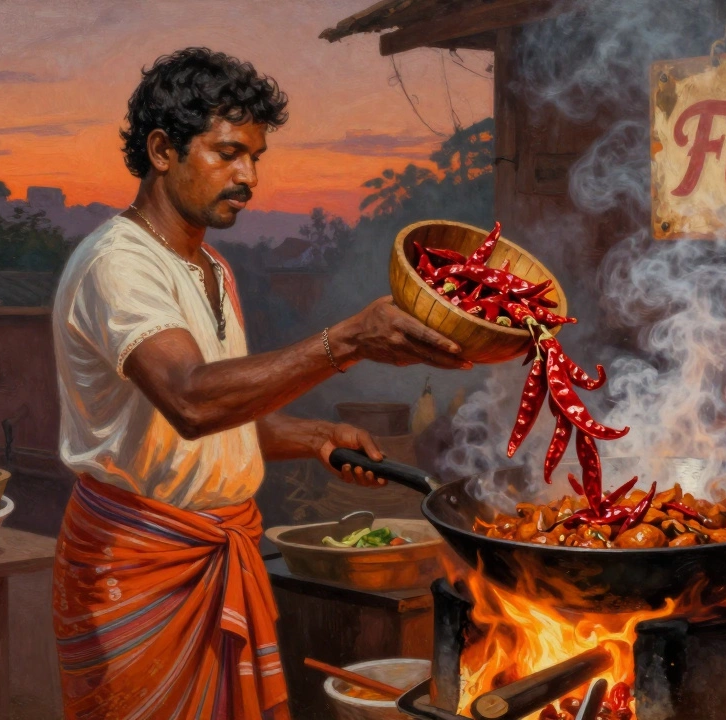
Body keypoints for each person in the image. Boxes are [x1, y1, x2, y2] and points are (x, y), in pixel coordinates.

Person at [50, 47, 469, 720]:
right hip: (140, 569)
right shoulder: (117, 265)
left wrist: (312, 436)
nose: (248, 177)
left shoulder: (211, 269)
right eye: (227, 154)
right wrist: (347, 341)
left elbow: (213, 416)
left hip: (220, 551)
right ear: (162, 150)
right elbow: (190, 399)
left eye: (255, 157)